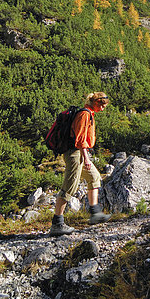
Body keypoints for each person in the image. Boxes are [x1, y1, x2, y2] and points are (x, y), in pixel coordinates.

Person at [49, 91, 111, 237]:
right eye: (102, 105)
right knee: (69, 187)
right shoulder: (84, 114)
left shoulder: (89, 114)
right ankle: (57, 224)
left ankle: (95, 213)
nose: (103, 108)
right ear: (95, 103)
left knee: (94, 177)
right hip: (75, 154)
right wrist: (86, 158)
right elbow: (80, 138)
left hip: (79, 153)